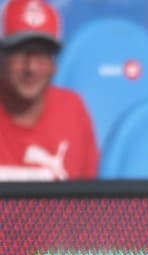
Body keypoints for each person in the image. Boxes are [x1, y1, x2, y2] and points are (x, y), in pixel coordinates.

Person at [0, 0, 98, 181]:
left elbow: (88, 202)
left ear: (55, 64)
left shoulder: (73, 111)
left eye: (42, 54)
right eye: (20, 52)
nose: (31, 67)